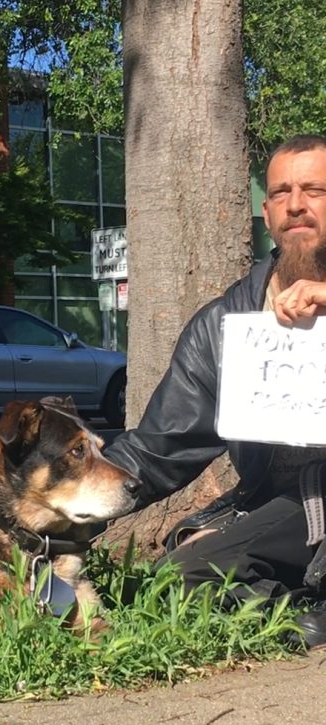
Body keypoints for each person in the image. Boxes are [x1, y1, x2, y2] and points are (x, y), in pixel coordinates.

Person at [103, 134, 326, 646]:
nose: (296, 205)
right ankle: (303, 602)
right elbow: (156, 450)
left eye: (314, 190)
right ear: (266, 212)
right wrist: (50, 502)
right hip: (291, 509)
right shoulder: (227, 325)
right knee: (179, 578)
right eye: (281, 193)